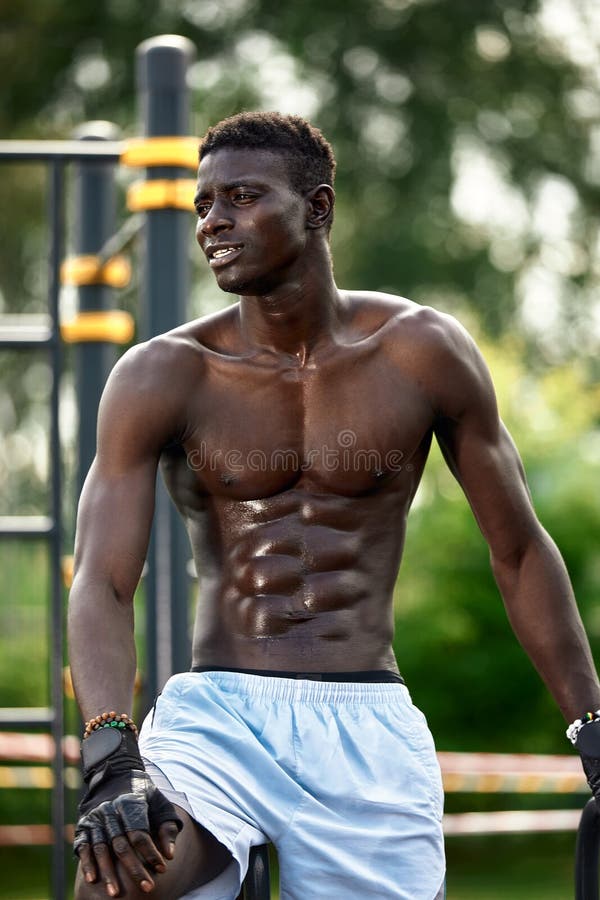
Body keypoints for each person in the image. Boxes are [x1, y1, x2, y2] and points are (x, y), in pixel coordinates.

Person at [68, 111, 600, 900]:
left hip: (366, 723)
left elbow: (519, 549)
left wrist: (591, 723)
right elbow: (103, 582)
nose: (213, 221)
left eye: (241, 198)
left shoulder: (423, 351)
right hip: (218, 716)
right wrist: (111, 752)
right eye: (203, 204)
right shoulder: (164, 373)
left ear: (317, 208)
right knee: (124, 874)